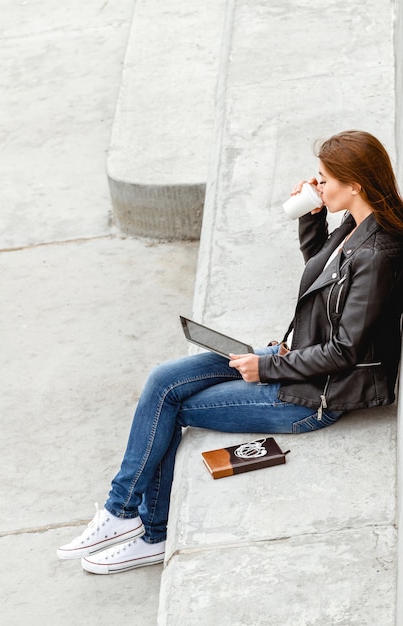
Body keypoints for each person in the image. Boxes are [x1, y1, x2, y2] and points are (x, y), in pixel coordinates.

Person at [57, 130, 403, 575]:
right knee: (165, 379)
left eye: (323, 179)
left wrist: (266, 366)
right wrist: (311, 216)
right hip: (294, 359)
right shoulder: (359, 224)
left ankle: (146, 529)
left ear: (354, 184)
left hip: (315, 395)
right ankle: (122, 513)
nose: (317, 185)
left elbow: (346, 351)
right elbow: (322, 275)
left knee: (175, 406)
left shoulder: (379, 254)